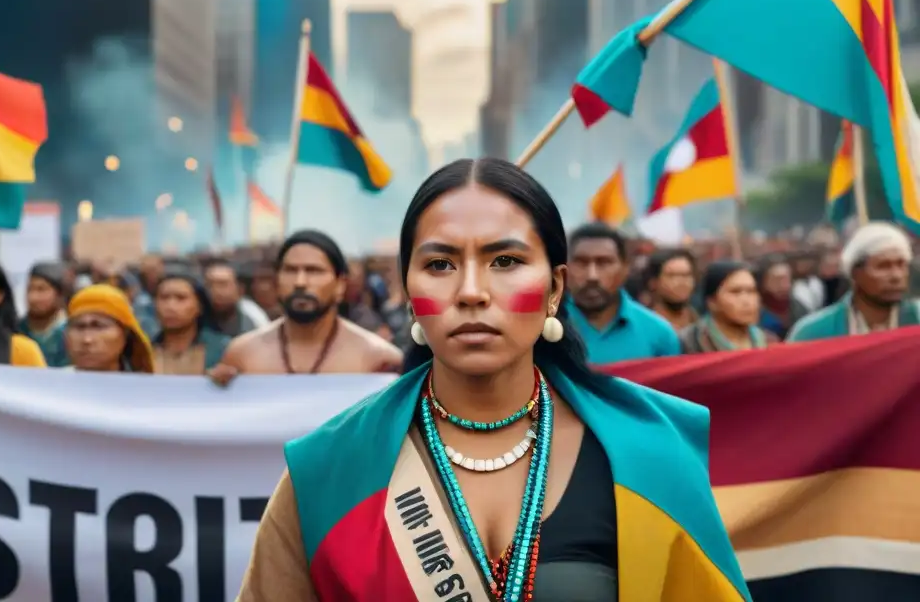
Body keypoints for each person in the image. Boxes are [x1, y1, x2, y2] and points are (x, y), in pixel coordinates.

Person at [238, 159, 748, 602]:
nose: (472, 291)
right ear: (409, 289)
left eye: (506, 261)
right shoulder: (329, 470)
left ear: (554, 288)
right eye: (440, 263)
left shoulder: (649, 456)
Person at [210, 230, 402, 379]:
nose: (300, 282)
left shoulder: (378, 358)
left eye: (314, 270)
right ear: (277, 280)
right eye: (290, 270)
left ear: (340, 284)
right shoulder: (242, 354)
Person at [564, 223, 681, 364]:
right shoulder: (542, 329)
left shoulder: (659, 334)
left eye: (604, 263)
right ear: (564, 268)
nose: (592, 276)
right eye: (581, 263)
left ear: (625, 269)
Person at [788, 222, 920, 341]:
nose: (896, 276)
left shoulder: (916, 317)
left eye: (902, 265)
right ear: (855, 273)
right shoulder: (813, 332)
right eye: (883, 266)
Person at [679, 261, 771, 353]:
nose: (746, 301)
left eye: (751, 291)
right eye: (735, 292)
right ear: (712, 302)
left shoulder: (768, 342)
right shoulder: (689, 342)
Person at [151, 270, 229, 375]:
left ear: (199, 306)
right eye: (164, 298)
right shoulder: (142, 351)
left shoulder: (223, 349)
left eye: (181, 298)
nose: (170, 306)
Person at [63, 284, 155, 372]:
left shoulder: (143, 387)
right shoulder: (54, 384)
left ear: (125, 333)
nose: (87, 340)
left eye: (99, 326)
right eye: (79, 327)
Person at [18, 262, 69, 366]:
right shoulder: (14, 330)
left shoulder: (71, 333)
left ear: (60, 295)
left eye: (41, 290)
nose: (33, 297)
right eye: (29, 289)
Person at [644, 248, 699, 331]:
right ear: (654, 282)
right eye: (672, 276)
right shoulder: (643, 326)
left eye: (687, 275)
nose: (682, 282)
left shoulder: (701, 326)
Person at [203, 258, 257, 337]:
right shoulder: (193, 325)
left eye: (222, 284)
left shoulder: (251, 326)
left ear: (240, 290)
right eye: (209, 285)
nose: (215, 291)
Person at [756, 256, 807, 339]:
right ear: (763, 282)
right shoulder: (754, 312)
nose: (784, 285)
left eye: (787, 279)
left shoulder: (799, 308)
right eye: (777, 280)